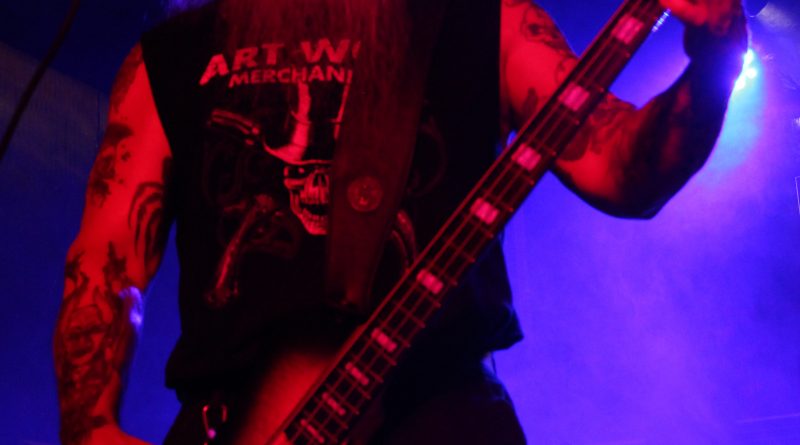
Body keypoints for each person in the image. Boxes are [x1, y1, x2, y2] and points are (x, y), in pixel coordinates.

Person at [53, 0, 748, 444]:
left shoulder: (487, 23)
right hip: (232, 421)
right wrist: (91, 429)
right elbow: (106, 260)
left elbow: (623, 170)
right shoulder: (170, 56)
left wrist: (716, 60)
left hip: (438, 412)